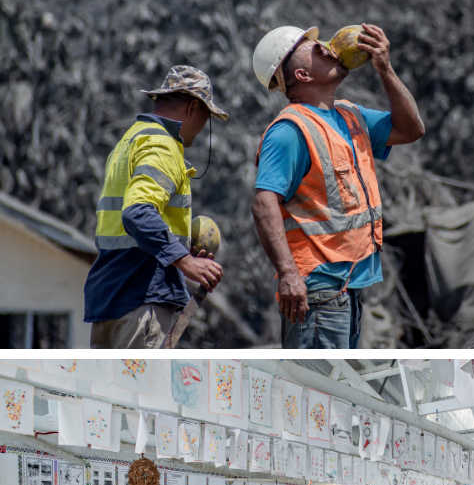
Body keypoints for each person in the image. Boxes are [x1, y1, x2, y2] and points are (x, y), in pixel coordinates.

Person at [249, 24, 425, 348]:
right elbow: (263, 203)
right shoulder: (289, 130)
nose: (328, 47)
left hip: (348, 289)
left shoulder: (349, 115)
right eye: (315, 48)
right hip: (316, 291)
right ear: (301, 75)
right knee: (318, 388)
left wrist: (385, 69)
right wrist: (288, 274)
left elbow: (412, 128)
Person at [83, 66, 227, 348]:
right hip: (141, 299)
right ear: (192, 108)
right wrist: (185, 262)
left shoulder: (130, 139)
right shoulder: (163, 145)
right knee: (141, 391)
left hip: (110, 299)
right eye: (206, 116)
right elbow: (138, 212)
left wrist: (179, 248)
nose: (203, 125)